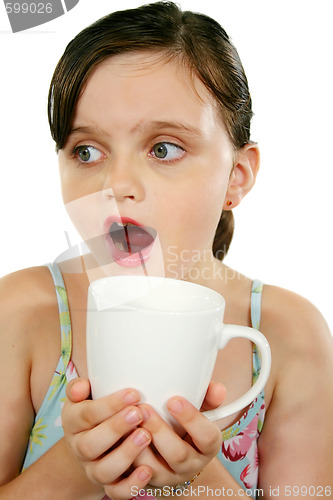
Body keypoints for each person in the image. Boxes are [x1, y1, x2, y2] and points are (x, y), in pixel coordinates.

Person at [0, 2, 332, 499]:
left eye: (163, 148)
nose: (116, 184)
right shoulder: (22, 314)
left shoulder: (286, 336)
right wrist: (76, 461)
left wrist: (196, 473)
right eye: (86, 151)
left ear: (236, 177)